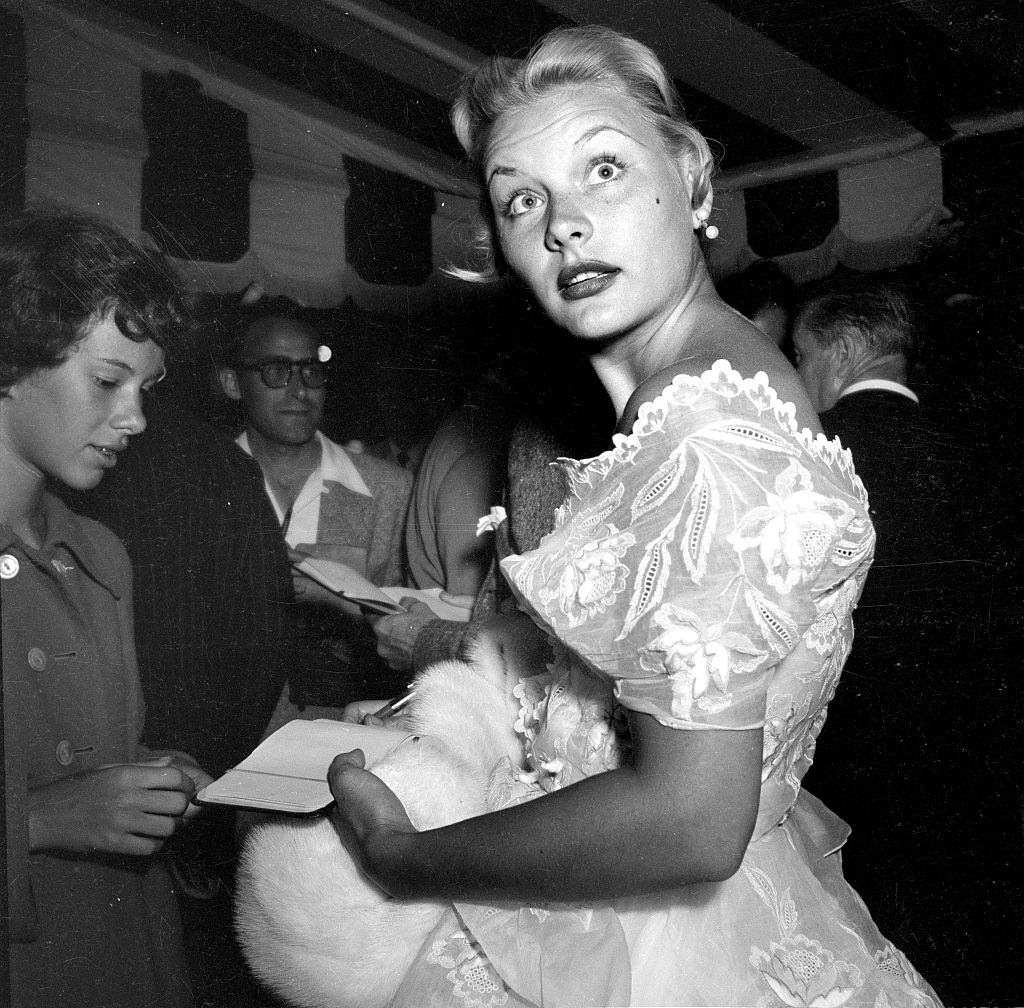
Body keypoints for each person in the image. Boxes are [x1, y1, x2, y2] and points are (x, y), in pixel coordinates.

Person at [310, 26, 944, 1006]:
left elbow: (688, 818)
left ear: (692, 185)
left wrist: (405, 852)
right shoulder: (694, 396)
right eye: (524, 198)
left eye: (602, 168)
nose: (563, 224)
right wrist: (455, 731)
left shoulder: (705, 430)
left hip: (652, 952)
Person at [1, 209, 213, 1008]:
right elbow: (53, 802)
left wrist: (148, 779)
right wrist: (37, 824)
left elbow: (85, 755)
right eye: (106, 380)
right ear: (12, 358)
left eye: (145, 388)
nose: (135, 417)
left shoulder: (97, 556)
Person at [793, 281, 1024, 1003]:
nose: (797, 375)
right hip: (979, 774)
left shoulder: (813, 460)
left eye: (800, 356)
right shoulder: (988, 457)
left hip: (848, 783)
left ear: (842, 350)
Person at [218, 312, 413, 712]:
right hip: (228, 738)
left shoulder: (389, 491)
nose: (300, 391)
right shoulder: (197, 491)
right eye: (276, 371)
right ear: (233, 383)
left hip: (345, 731)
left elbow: (411, 634)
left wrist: (350, 610)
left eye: (311, 371)